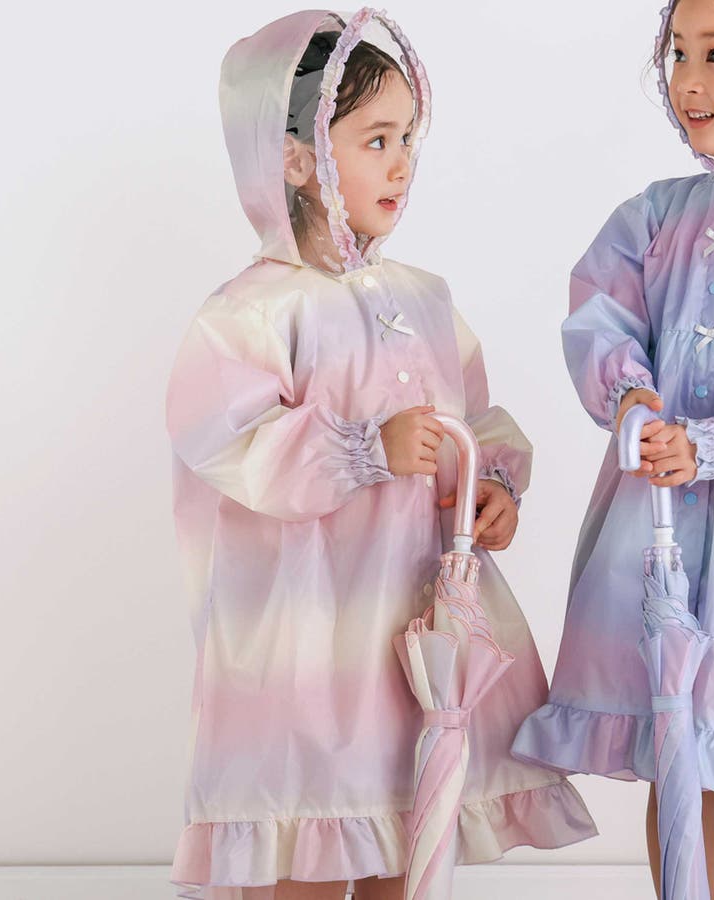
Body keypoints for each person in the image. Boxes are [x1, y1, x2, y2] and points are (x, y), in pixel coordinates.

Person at [166, 8, 596, 899]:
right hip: (310, 637)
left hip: (411, 630)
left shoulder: (423, 298)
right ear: (295, 161)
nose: (401, 163)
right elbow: (227, 440)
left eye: (407, 138)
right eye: (374, 140)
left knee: (410, 822)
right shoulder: (254, 312)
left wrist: (491, 485)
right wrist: (365, 449)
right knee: (311, 830)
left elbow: (475, 418)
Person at [512, 1, 714, 897]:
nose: (687, 79)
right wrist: (630, 394)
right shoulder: (658, 216)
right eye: (677, 52)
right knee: (675, 750)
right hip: (662, 535)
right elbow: (602, 312)